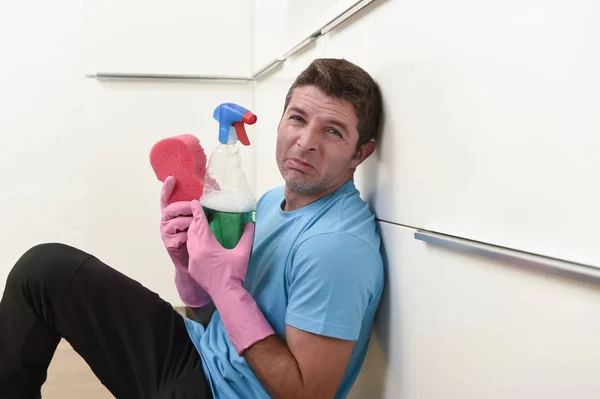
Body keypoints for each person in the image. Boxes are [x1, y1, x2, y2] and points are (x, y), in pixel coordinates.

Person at [0, 58, 384, 399]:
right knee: (44, 270)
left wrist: (225, 287)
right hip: (201, 351)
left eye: (332, 131)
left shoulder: (336, 248)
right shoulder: (269, 202)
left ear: (360, 153)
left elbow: (307, 394)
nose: (304, 142)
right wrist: (188, 267)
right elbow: (214, 320)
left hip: (214, 390)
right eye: (298, 118)